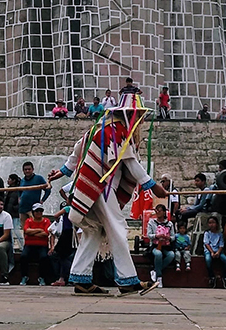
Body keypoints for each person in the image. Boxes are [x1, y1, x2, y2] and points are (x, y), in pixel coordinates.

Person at [48, 93, 166, 295]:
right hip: (102, 186)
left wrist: (65, 170)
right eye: (136, 115)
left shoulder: (101, 127)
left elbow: (78, 149)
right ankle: (128, 280)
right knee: (117, 228)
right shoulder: (118, 131)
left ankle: (80, 278)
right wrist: (152, 185)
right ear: (128, 114)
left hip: (90, 185)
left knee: (94, 230)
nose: (139, 119)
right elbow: (131, 163)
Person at [18, 203, 51, 285]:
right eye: (37, 211)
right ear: (33, 212)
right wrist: (40, 230)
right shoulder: (28, 221)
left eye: (41, 211)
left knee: (44, 257)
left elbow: (46, 233)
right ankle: (24, 276)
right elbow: (26, 231)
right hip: (29, 244)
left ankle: (42, 277)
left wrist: (32, 233)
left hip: (42, 245)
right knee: (23, 256)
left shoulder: (46, 220)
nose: (39, 213)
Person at [47, 195, 76, 286]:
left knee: (63, 256)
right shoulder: (77, 210)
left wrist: (58, 218)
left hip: (66, 233)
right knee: (68, 256)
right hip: (73, 233)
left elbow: (56, 215)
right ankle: (68, 278)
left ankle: (62, 278)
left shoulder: (68, 208)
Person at [147, 203, 175, 288]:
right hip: (155, 245)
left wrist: (168, 238)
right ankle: (159, 277)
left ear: (164, 212)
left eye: (160, 211)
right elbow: (149, 235)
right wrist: (156, 236)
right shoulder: (151, 222)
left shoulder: (169, 224)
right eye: (156, 211)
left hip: (166, 246)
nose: (158, 212)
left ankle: (155, 270)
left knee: (171, 255)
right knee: (158, 254)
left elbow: (173, 237)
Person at [18, 161, 48, 226]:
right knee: (24, 228)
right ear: (23, 171)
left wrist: (42, 200)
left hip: (34, 209)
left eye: (29, 169)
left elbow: (48, 190)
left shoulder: (39, 178)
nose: (27, 171)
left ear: (33, 169)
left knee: (35, 226)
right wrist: (19, 198)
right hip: (22, 208)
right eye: (25, 169)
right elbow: (19, 191)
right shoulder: (22, 180)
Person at [203, 216, 226, 287]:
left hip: (218, 250)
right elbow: (206, 243)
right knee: (208, 260)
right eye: (210, 223)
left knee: (225, 259)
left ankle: (224, 277)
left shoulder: (220, 234)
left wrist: (218, 252)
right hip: (209, 250)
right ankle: (212, 277)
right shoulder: (207, 233)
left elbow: (221, 244)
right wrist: (212, 252)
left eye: (213, 223)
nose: (211, 225)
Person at [4, 174, 23, 252]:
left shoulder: (18, 190)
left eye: (9, 179)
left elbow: (19, 201)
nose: (8, 181)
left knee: (16, 230)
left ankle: (22, 246)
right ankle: (11, 249)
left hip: (14, 213)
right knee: (10, 232)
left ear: (13, 180)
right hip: (9, 213)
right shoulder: (9, 190)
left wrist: (15, 208)